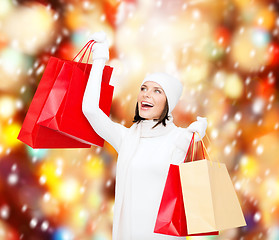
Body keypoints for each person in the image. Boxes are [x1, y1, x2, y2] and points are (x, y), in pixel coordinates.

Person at [82, 31, 208, 240]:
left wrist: (193, 142)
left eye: (157, 91)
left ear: (169, 104)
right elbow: (90, 110)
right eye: (144, 88)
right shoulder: (127, 138)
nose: (147, 94)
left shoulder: (179, 138)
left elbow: (192, 196)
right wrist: (99, 59)